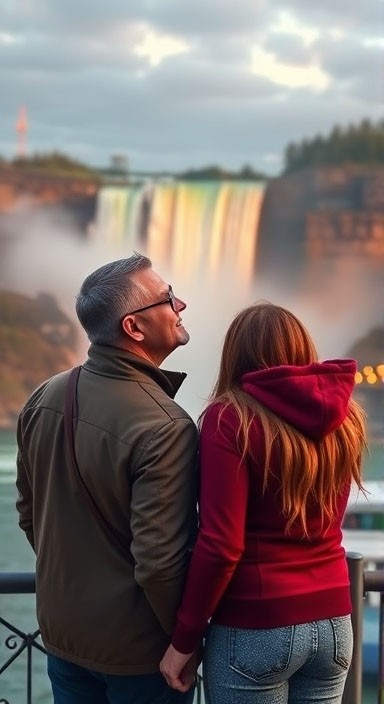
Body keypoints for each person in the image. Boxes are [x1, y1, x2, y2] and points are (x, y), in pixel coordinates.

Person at [160, 302, 367, 704]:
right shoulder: (348, 420)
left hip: (255, 624)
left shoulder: (229, 417)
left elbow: (221, 545)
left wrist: (184, 639)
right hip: (335, 622)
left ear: (236, 355)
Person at [16, 253, 199, 704]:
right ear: (134, 328)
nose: (182, 305)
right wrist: (185, 641)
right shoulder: (165, 425)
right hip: (140, 655)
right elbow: (160, 561)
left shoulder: (45, 395)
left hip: (64, 638)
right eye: (169, 298)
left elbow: (28, 513)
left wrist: (82, 579)